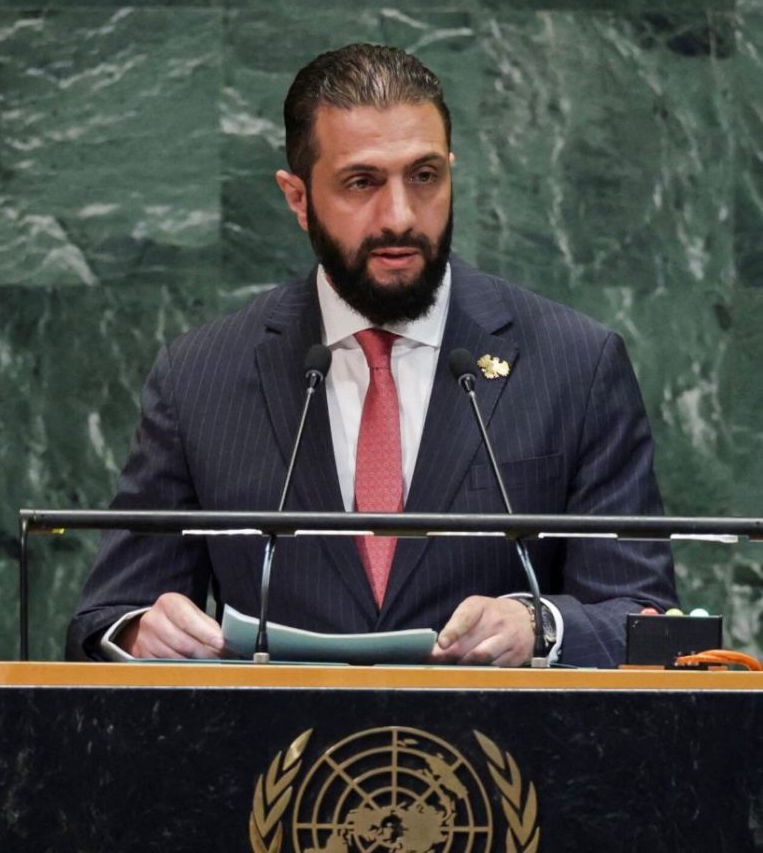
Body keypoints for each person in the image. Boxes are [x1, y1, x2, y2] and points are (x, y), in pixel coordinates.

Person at [66, 43, 677, 667]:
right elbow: (110, 616)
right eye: (362, 183)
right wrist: (141, 633)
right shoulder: (201, 377)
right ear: (297, 198)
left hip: (496, 730)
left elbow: (643, 617)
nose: (400, 216)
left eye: (424, 176)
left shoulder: (575, 364)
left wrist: (540, 625)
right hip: (279, 731)